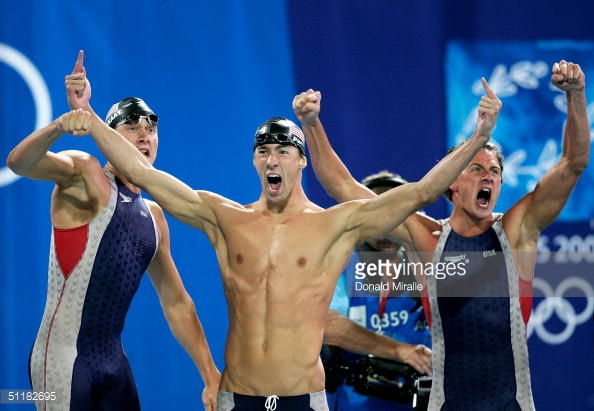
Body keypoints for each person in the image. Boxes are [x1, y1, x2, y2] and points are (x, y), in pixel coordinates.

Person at [64, 50, 499, 411]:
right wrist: (89, 115)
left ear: (301, 161)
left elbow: (422, 192)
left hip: (303, 398)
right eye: (264, 151)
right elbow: (144, 173)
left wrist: (477, 140)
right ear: (255, 161)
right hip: (239, 396)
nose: (273, 160)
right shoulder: (223, 217)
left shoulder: (336, 224)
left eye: (283, 151)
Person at [293, 59, 589, 410]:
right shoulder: (426, 238)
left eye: (495, 171)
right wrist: (311, 124)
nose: (488, 176)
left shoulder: (517, 230)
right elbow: (341, 186)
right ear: (452, 183)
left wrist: (576, 95)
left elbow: (573, 163)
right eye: (475, 168)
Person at [5, 51, 220, 411]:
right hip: (61, 361)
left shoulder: (154, 217)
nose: (144, 135)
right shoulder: (84, 173)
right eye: (132, 127)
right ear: (110, 136)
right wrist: (60, 126)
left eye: (151, 128)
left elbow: (176, 301)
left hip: (113, 365)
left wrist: (211, 375)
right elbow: (18, 163)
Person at [322, 171, 432, 411]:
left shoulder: (427, 262)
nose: (389, 229)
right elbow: (326, 326)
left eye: (397, 218)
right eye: (380, 220)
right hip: (356, 404)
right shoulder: (339, 264)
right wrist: (398, 350)